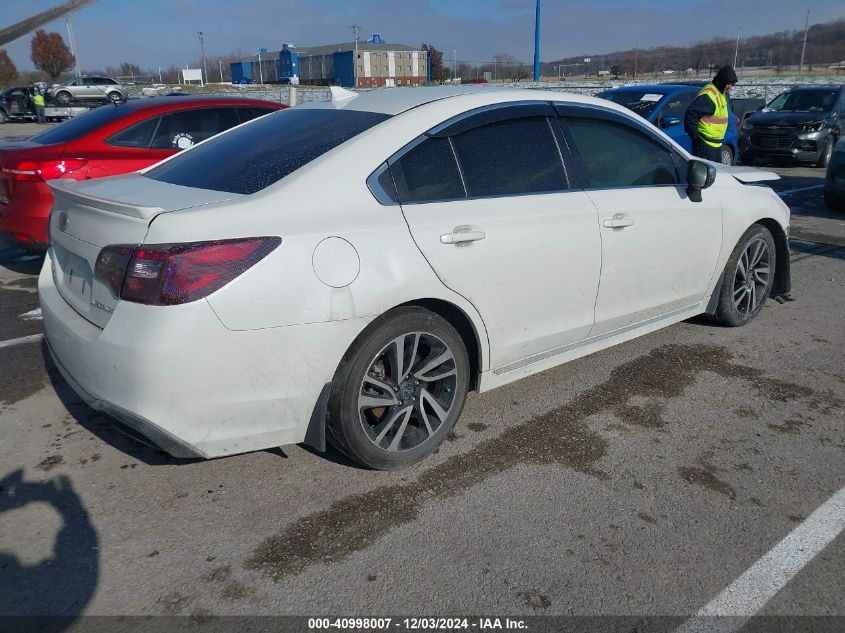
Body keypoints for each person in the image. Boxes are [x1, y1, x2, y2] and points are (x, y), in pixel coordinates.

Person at [684, 65, 737, 162]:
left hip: (715, 145)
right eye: (729, 84)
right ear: (722, 81)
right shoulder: (709, 95)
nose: (731, 87)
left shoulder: (720, 92)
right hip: (705, 145)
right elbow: (690, 115)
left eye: (733, 84)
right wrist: (696, 138)